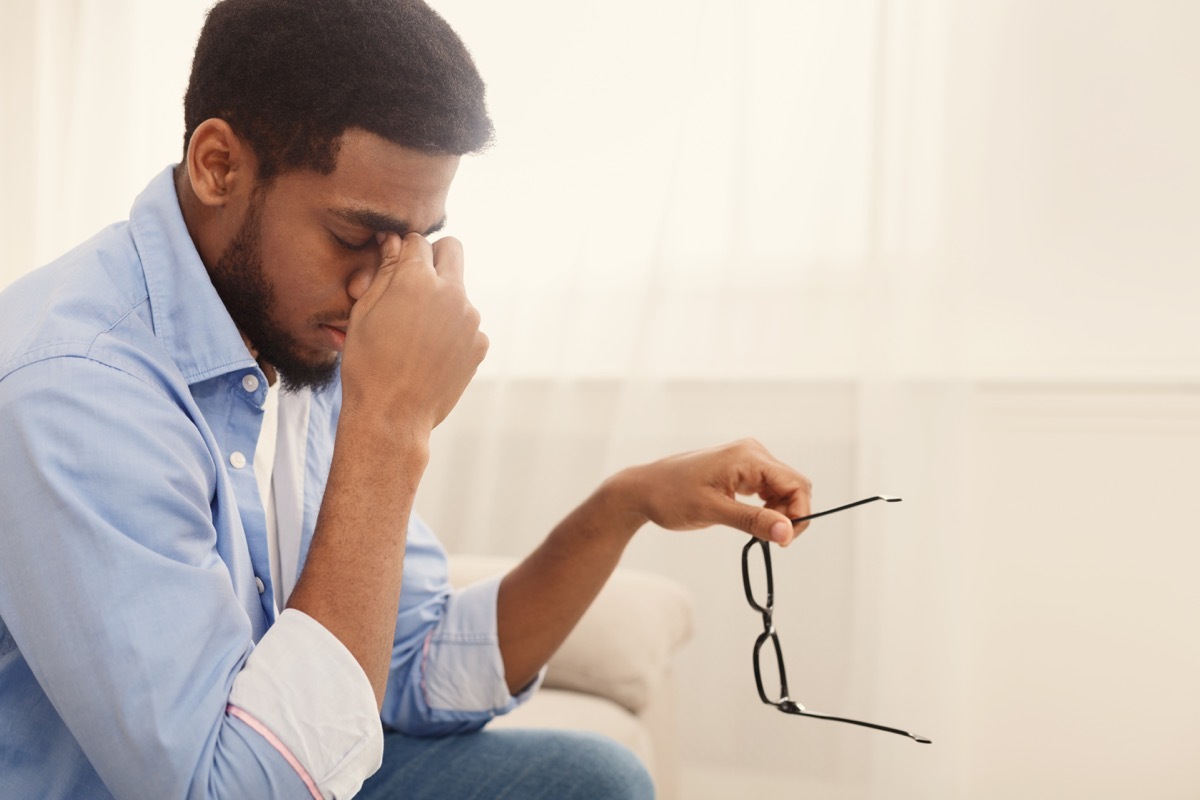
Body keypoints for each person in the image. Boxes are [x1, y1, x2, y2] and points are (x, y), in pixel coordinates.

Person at [0, 1, 812, 797]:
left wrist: (624, 503)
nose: (380, 289)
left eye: (412, 242)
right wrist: (389, 425)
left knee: (587, 780)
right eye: (356, 237)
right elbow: (227, 787)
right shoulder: (77, 389)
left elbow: (417, 667)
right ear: (219, 166)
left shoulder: (289, 325)